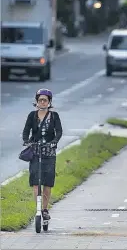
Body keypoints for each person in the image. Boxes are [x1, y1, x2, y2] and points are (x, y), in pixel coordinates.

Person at [22, 89, 62, 221]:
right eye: (40, 100)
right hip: (35, 151)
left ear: (49, 102)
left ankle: (45, 209)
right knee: (35, 182)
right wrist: (26, 141)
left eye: (45, 100)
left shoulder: (54, 116)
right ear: (37, 101)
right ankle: (38, 208)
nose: (43, 102)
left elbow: (59, 132)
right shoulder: (31, 115)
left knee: (48, 183)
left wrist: (54, 142)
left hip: (49, 153)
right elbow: (26, 130)